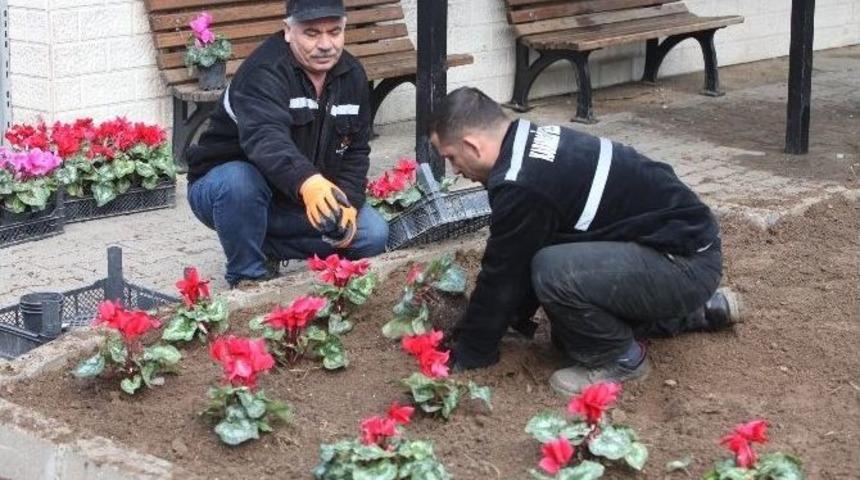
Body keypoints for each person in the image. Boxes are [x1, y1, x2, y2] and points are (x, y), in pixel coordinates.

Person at [429, 87, 743, 395]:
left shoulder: (520, 184)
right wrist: (514, 321)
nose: (456, 171)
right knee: (571, 334)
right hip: (683, 250)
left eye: (452, 158)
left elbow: (504, 274)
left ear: (473, 145)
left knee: (553, 273)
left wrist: (472, 353)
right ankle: (696, 312)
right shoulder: (528, 141)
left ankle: (621, 359)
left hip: (683, 264)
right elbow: (523, 249)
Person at [185, 0, 388, 287]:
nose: (326, 44)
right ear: (288, 31)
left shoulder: (351, 74)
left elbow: (356, 150)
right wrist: (309, 182)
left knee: (372, 235)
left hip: (297, 199)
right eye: (312, 33)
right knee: (239, 182)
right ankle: (248, 278)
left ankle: (265, 244)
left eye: (335, 31)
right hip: (228, 190)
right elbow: (266, 140)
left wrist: (350, 203)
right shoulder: (263, 72)